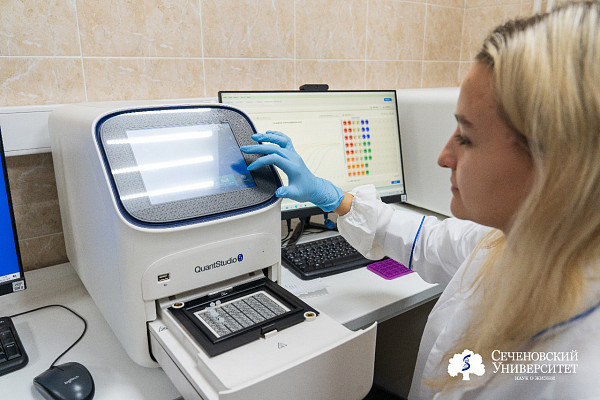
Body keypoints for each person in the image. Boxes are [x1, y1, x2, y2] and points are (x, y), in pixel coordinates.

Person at [241, 1, 600, 398]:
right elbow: (426, 240)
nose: (444, 157)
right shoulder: (511, 243)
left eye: (466, 137)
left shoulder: (578, 379)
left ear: (556, 164)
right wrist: (332, 197)